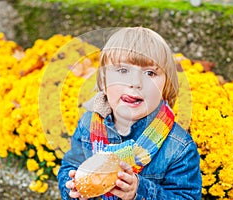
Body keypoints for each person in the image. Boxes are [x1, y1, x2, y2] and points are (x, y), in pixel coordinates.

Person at [57, 27, 202, 200]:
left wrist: (139, 191)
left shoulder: (178, 147)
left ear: (166, 86)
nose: (135, 82)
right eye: (123, 71)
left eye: (150, 73)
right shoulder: (88, 125)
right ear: (103, 80)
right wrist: (72, 186)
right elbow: (70, 165)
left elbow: (187, 196)